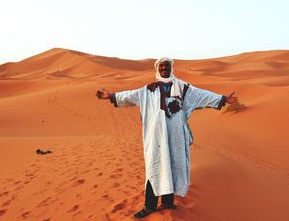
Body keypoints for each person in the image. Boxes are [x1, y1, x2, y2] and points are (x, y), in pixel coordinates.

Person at [95, 57, 238, 219]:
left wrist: (224, 99)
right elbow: (129, 96)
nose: (164, 68)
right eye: (161, 66)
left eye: (166, 65)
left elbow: (202, 95)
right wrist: (110, 96)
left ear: (171, 68)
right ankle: (149, 205)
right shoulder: (148, 90)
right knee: (154, 167)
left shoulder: (183, 88)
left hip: (176, 137)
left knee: (172, 165)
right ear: (157, 69)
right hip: (155, 138)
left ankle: (167, 202)